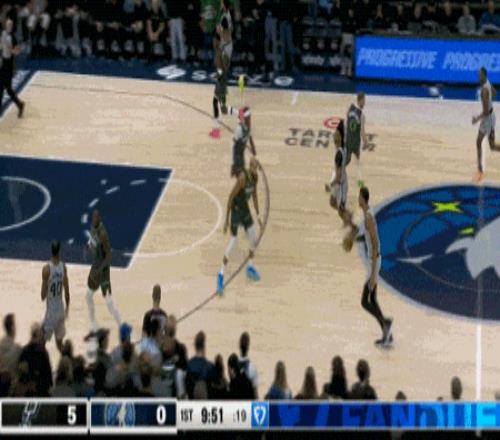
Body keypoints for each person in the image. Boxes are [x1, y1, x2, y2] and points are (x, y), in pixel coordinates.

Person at [347, 187, 392, 346]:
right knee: (372, 299)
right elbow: (367, 238)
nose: (357, 199)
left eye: (359, 197)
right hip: (373, 261)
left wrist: (373, 274)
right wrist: (355, 240)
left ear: (363, 198)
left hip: (374, 262)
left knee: (365, 302)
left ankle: (385, 323)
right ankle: (387, 332)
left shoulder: (369, 218)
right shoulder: (367, 215)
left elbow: (375, 242)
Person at [217, 157, 263, 295]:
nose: (256, 169)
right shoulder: (243, 178)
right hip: (236, 210)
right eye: (254, 167)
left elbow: (254, 196)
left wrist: (258, 216)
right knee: (233, 241)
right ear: (250, 167)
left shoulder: (255, 178)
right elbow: (230, 197)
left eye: (257, 167)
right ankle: (220, 274)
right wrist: (226, 220)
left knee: (254, 236)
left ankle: (250, 266)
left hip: (245, 210)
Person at [85, 209, 121, 335]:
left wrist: (100, 270)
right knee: (88, 296)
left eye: (96, 217)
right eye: (93, 217)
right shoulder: (92, 227)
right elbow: (92, 240)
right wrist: (88, 246)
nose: (94, 219)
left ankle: (121, 325)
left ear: (99, 218)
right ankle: (93, 323)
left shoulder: (103, 234)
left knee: (109, 302)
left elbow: (109, 257)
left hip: (103, 270)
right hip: (95, 267)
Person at [41, 241, 70, 353]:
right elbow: (67, 292)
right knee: (59, 345)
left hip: (51, 313)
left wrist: (46, 283)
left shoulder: (46, 269)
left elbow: (43, 296)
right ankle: (68, 360)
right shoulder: (63, 267)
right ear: (59, 251)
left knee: (40, 344)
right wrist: (67, 309)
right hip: (61, 310)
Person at [472, 67, 500, 182]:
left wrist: (476, 119)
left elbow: (485, 111)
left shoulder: (484, 90)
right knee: (492, 146)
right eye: (478, 75)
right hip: (492, 116)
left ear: (484, 75)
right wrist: (489, 100)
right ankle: (480, 169)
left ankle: (480, 171)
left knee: (478, 142)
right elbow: (495, 93)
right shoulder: (488, 82)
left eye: (480, 75)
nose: (478, 77)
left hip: (487, 119)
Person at [325, 120, 353, 227]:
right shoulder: (344, 148)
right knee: (332, 202)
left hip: (341, 184)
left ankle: (353, 226)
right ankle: (347, 215)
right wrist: (342, 166)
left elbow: (338, 178)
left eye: (335, 135)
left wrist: (330, 185)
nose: (333, 137)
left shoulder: (338, 155)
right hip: (340, 176)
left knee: (341, 211)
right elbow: (349, 159)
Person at [17, 323, 53, 396]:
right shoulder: (43, 353)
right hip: (38, 392)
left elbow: (20, 375)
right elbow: (49, 380)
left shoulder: (25, 351)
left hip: (30, 392)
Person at [0, 17, 25, 118]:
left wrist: (13, 50)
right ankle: (19, 105)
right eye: (8, 24)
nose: (10, 26)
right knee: (1, 87)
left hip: (8, 65)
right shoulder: (2, 34)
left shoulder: (13, 37)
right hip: (2, 64)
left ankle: (20, 104)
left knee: (8, 89)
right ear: (4, 25)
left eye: (11, 25)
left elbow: (17, 51)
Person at [345, 92, 368, 188]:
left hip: (347, 140)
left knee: (344, 162)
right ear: (360, 100)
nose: (365, 103)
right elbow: (362, 132)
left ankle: (333, 180)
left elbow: (346, 120)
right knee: (358, 163)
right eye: (364, 101)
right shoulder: (361, 115)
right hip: (355, 142)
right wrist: (366, 142)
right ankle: (360, 183)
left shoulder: (350, 108)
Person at [209, 68, 238, 139]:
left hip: (220, 93)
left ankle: (239, 113)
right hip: (219, 91)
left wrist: (216, 75)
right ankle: (216, 131)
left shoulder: (221, 69)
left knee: (222, 110)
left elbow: (218, 75)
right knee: (217, 109)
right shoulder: (221, 68)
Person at [186, 331, 215, 399]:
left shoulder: (188, 365)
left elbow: (187, 389)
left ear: (195, 346)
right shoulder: (210, 367)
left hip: (191, 403)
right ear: (204, 347)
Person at [231, 106, 257, 176]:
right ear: (245, 119)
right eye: (248, 118)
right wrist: (233, 162)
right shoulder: (239, 128)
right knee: (240, 173)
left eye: (250, 118)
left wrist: (253, 150)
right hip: (237, 154)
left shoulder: (248, 128)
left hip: (241, 153)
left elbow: (250, 138)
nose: (250, 120)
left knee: (242, 171)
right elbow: (234, 142)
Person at [238, 332, 258, 398]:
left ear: (239, 345)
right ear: (248, 346)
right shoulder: (253, 368)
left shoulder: (233, 366)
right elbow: (255, 394)